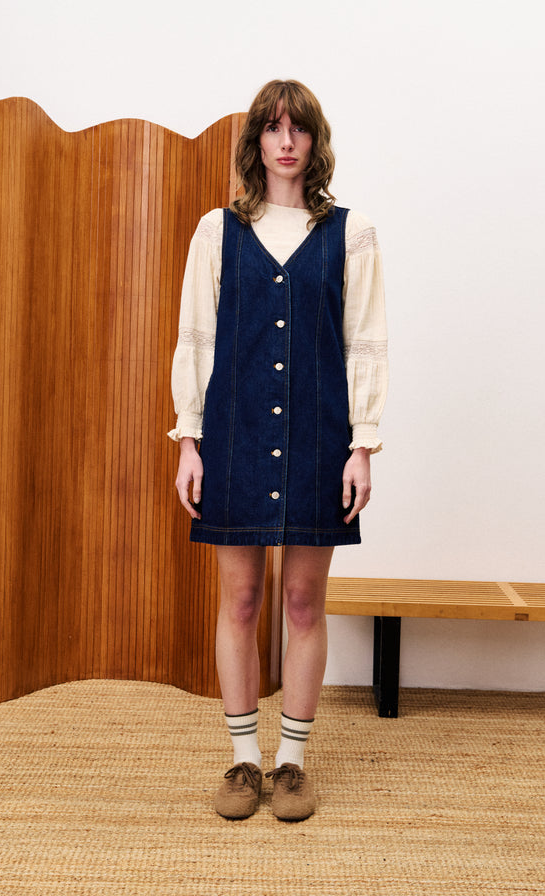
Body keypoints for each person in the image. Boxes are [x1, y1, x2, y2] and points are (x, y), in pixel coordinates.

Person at [169, 79, 388, 821]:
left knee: (301, 601)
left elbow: (364, 343)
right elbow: (196, 340)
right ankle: (242, 760)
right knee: (240, 599)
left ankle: (291, 764)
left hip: (319, 438)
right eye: (272, 127)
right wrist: (189, 441)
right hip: (234, 436)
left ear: (314, 141)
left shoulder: (352, 234)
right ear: (256, 140)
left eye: (298, 129)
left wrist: (363, 446)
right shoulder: (216, 231)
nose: (285, 141)